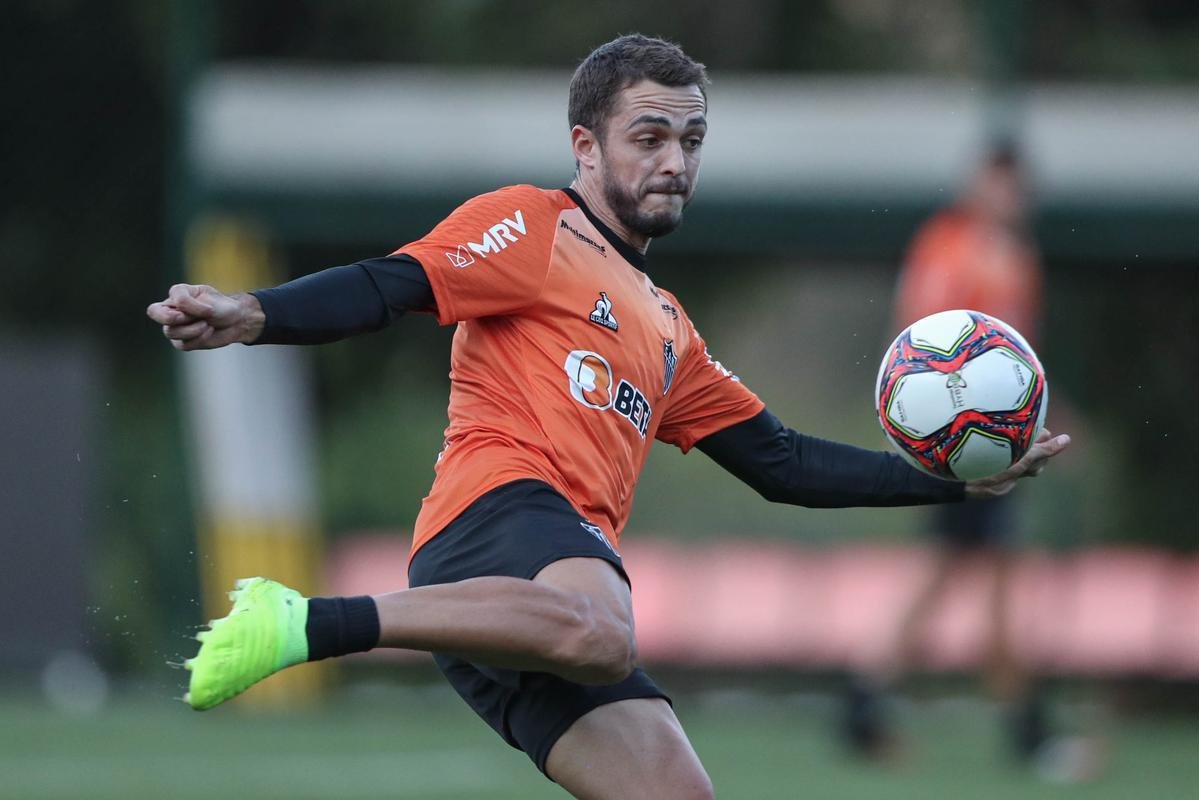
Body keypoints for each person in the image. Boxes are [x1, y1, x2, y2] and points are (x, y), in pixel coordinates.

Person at [148, 36, 1069, 799]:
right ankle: (306, 624)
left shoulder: (669, 330)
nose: (674, 161)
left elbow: (783, 463)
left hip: (535, 605)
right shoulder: (536, 227)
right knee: (604, 630)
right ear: (585, 145)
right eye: (649, 136)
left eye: (691, 139)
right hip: (496, 522)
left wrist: (954, 482)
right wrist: (253, 312)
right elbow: (391, 284)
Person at [844, 143, 1052, 765]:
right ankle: (1027, 735)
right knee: (980, 580)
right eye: (997, 183)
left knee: (955, 576)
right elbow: (920, 346)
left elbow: (1020, 365)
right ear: (976, 185)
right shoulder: (948, 247)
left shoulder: (1018, 259)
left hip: (996, 442)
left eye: (1016, 186)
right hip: (962, 445)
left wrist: (1046, 415)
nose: (1007, 197)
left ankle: (864, 703)